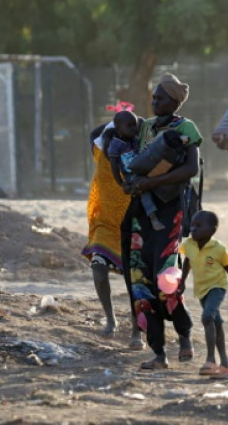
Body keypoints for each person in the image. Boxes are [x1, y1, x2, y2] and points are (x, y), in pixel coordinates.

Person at [121, 73, 202, 370]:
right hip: (142, 212)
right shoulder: (145, 128)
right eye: (153, 97)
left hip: (170, 211)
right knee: (141, 281)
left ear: (175, 101)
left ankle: (184, 336)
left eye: (161, 98)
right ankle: (158, 352)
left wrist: (152, 184)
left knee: (166, 279)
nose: (155, 102)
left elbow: (191, 168)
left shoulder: (186, 128)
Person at [83, 116, 142, 347]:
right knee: (98, 266)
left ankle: (137, 331)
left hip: (133, 222)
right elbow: (94, 133)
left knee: (134, 279)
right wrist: (117, 119)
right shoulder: (99, 149)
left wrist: (132, 120)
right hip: (104, 223)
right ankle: (110, 319)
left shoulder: (135, 153)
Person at [177, 210, 228, 378]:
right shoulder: (189, 245)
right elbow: (187, 262)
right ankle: (226, 363)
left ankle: (210, 360)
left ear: (212, 230)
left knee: (207, 317)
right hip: (201, 290)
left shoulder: (218, 248)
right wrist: (182, 281)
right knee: (216, 322)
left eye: (198, 226)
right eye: (192, 225)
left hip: (216, 287)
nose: (193, 229)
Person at [106, 110, 165, 231]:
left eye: (135, 124)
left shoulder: (136, 139)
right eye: (129, 125)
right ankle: (153, 217)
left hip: (143, 170)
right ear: (118, 129)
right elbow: (114, 166)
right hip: (131, 176)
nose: (133, 128)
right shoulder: (116, 144)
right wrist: (121, 183)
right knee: (144, 191)